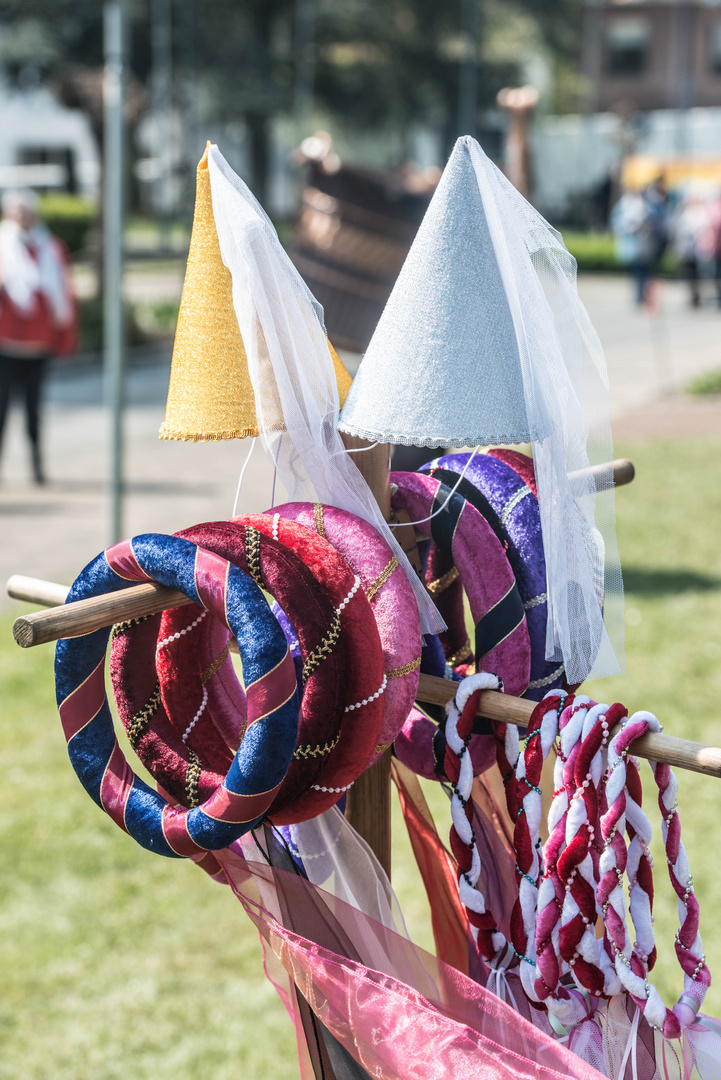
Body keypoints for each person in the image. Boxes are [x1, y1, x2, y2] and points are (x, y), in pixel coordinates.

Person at [0, 188, 77, 484]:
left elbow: (65, 296)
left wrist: (64, 338)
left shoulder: (51, 247)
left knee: (34, 412)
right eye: (17, 210)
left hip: (38, 344)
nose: (22, 216)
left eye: (26, 210)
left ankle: (37, 468)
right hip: (5, 344)